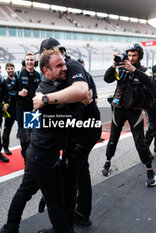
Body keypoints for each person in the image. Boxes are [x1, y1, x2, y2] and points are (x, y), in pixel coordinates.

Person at [0, 48, 82, 233]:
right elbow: (73, 119)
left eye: (64, 63)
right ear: (46, 71)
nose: (65, 68)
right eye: (59, 65)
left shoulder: (50, 87)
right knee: (56, 203)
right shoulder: (50, 93)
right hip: (45, 157)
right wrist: (82, 101)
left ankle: (9, 228)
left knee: (25, 192)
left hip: (37, 152)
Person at [34, 38, 100, 229]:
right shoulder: (66, 67)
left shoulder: (70, 65)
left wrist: (46, 99)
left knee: (72, 175)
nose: (61, 68)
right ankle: (82, 212)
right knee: (81, 169)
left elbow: (81, 91)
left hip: (84, 128)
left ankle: (67, 223)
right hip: (84, 126)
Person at [102, 42, 156, 187]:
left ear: (140, 56)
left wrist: (134, 70)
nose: (131, 58)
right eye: (130, 55)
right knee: (113, 138)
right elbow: (107, 79)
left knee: (140, 141)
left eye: (135, 55)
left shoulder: (146, 70)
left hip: (135, 111)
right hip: (118, 109)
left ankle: (150, 170)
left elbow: (151, 83)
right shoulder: (120, 68)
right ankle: (107, 162)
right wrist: (114, 65)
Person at [11, 52, 41, 161]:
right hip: (22, 112)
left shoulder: (39, 75)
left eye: (31, 60)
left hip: (33, 111)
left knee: (34, 138)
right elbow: (9, 92)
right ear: (24, 62)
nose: (29, 62)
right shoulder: (18, 74)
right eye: (27, 60)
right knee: (24, 139)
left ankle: (33, 159)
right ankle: (26, 162)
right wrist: (19, 93)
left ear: (35, 62)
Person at [77, 57, 105, 143]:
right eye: (79, 65)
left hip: (91, 100)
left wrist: (95, 97)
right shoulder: (76, 75)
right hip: (82, 101)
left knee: (95, 117)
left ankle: (97, 136)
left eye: (82, 64)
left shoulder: (88, 74)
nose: (81, 66)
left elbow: (93, 86)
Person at [2, 62, 17, 155]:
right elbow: (3, 94)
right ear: (6, 70)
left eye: (12, 68)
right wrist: (4, 104)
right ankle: (5, 147)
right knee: (7, 129)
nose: (10, 70)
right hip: (9, 109)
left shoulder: (18, 79)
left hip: (19, 108)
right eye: (9, 68)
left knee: (27, 129)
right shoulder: (4, 81)